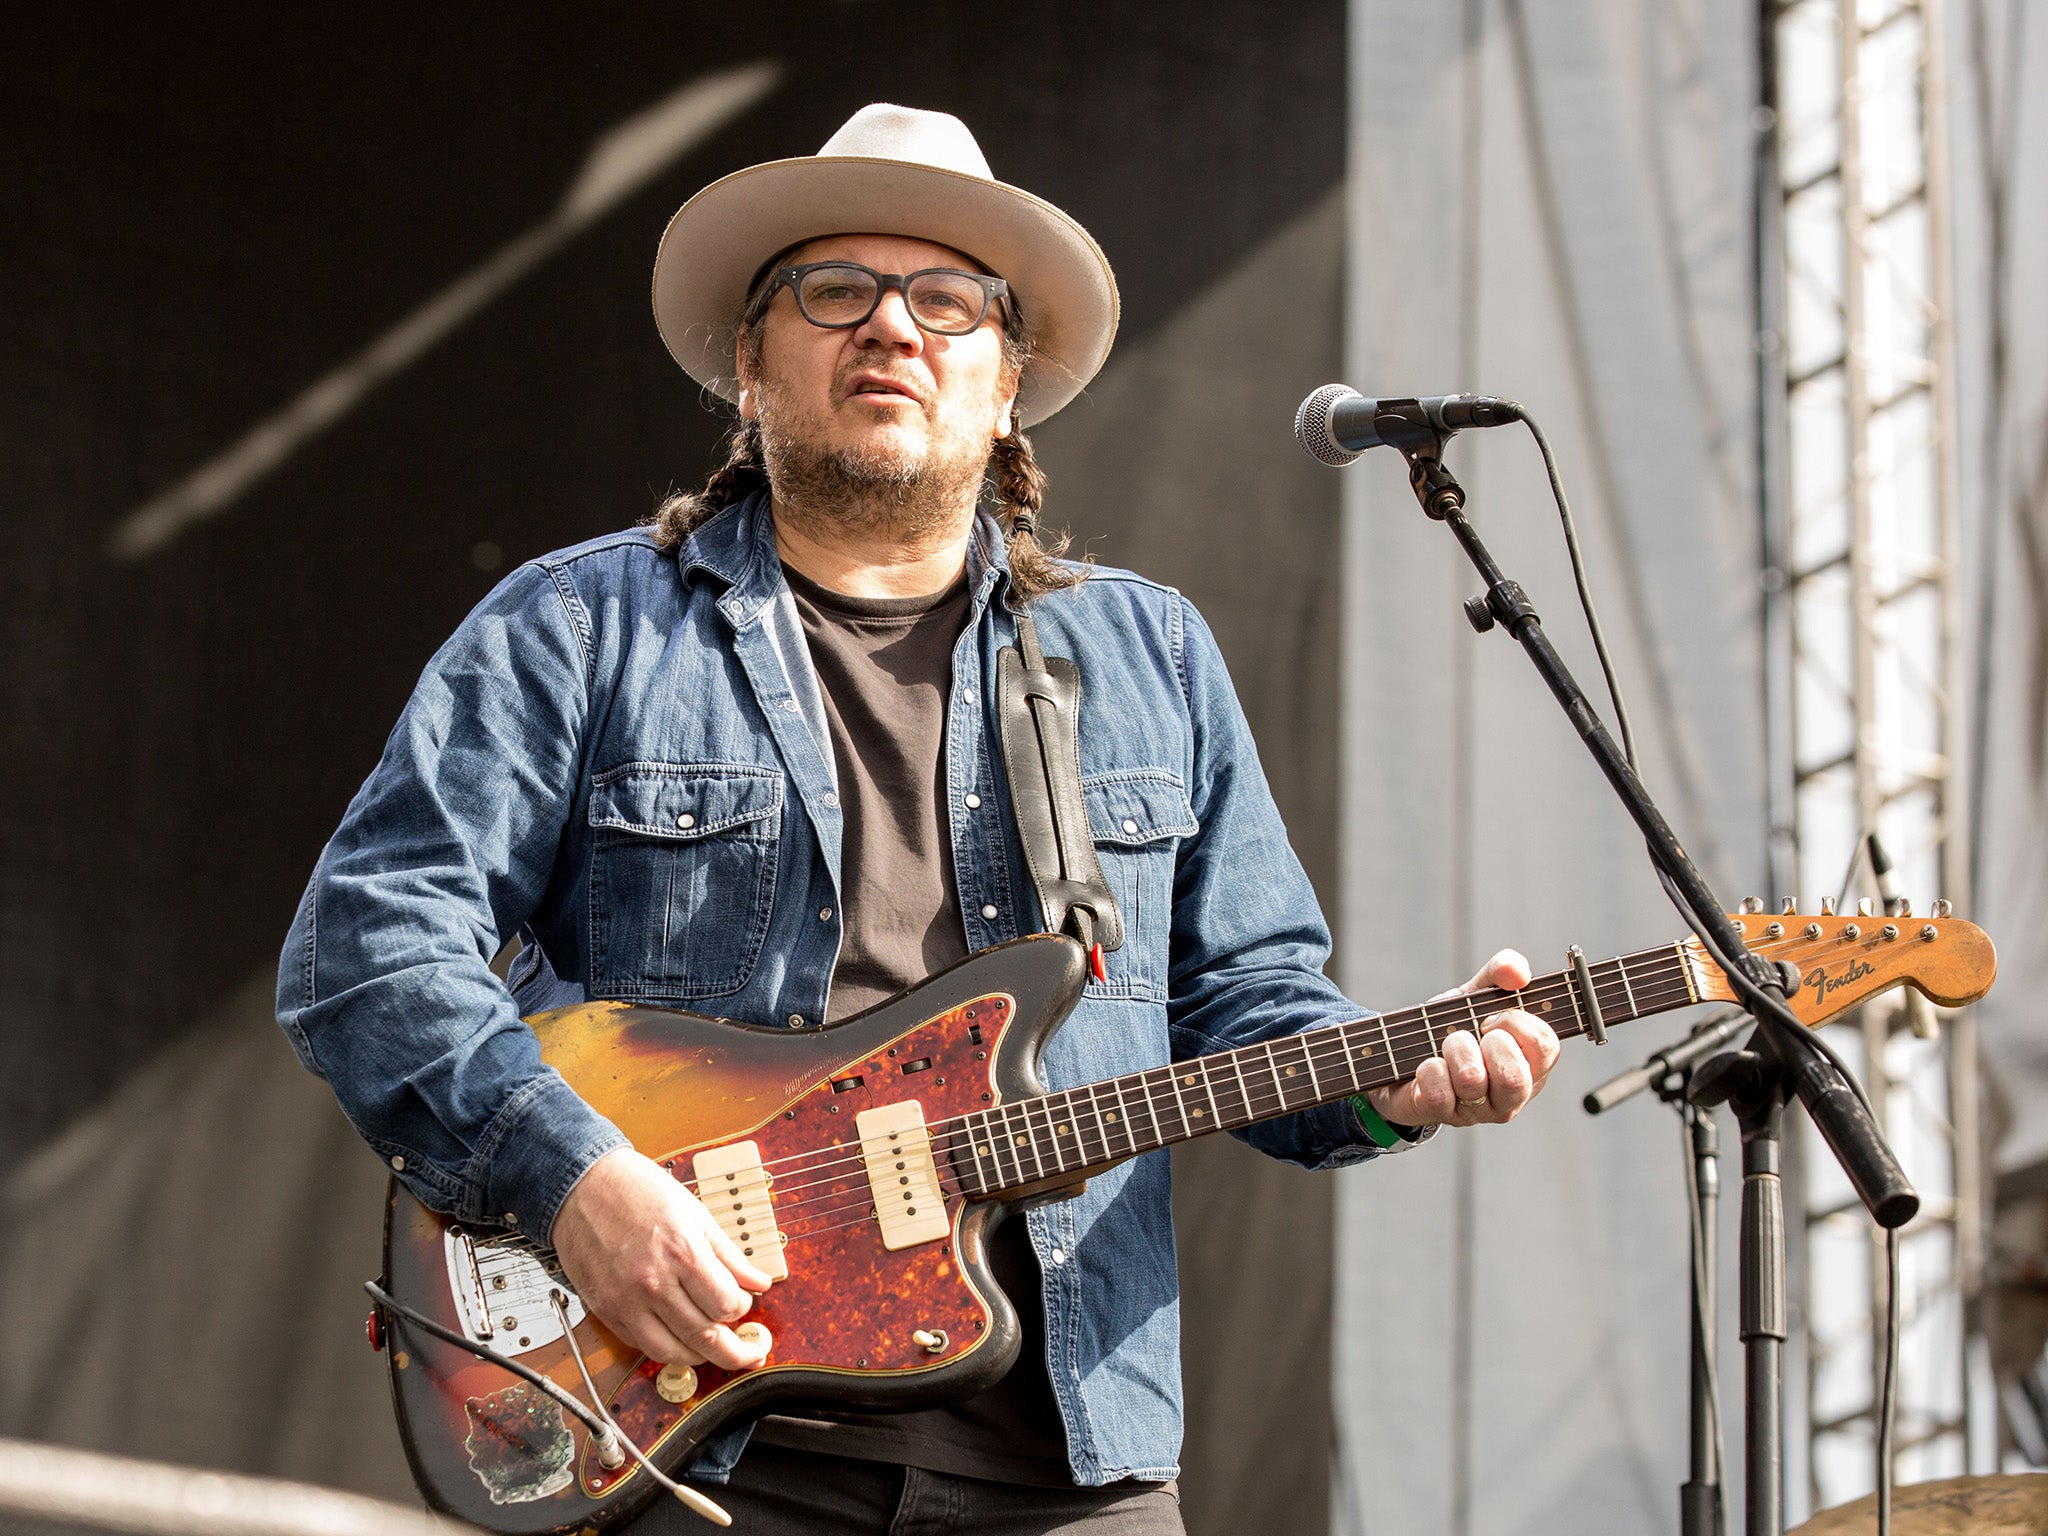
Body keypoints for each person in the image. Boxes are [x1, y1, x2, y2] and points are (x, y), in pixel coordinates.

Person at [277, 104, 1561, 1533]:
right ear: (751, 370)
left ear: (1006, 384)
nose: (893, 327)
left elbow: (1251, 1005)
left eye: (947, 301)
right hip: (699, 1443)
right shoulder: (579, 627)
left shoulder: (1153, 658)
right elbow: (372, 944)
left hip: (1074, 1462)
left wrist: (1390, 1083)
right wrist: (576, 1182)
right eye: (838, 293)